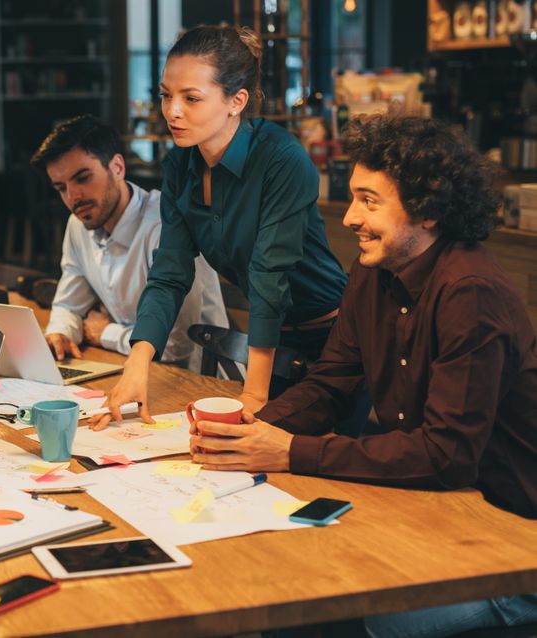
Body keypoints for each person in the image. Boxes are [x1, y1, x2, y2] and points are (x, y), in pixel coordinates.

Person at [190, 114, 537, 637]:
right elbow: (333, 381)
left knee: (356, 613)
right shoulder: (373, 272)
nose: (350, 218)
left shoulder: (470, 293)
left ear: (427, 211)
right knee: (289, 579)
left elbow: (445, 453)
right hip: (438, 509)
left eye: (369, 201)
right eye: (352, 197)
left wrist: (287, 451)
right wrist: (246, 428)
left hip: (511, 539)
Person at [97, 25, 349, 428]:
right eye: (166, 95)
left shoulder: (282, 159)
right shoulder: (181, 163)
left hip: (337, 339)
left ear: (236, 101)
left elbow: (269, 277)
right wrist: (137, 365)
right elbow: (169, 273)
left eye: (191, 98)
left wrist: (252, 394)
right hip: (275, 340)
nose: (172, 111)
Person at [30, 114, 228, 369]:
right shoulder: (79, 223)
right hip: (132, 367)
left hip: (199, 382)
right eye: (60, 188)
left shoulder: (166, 226)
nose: (73, 197)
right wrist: (61, 332)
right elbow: (70, 302)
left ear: (117, 168)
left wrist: (107, 333)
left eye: (82, 178)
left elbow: (178, 346)